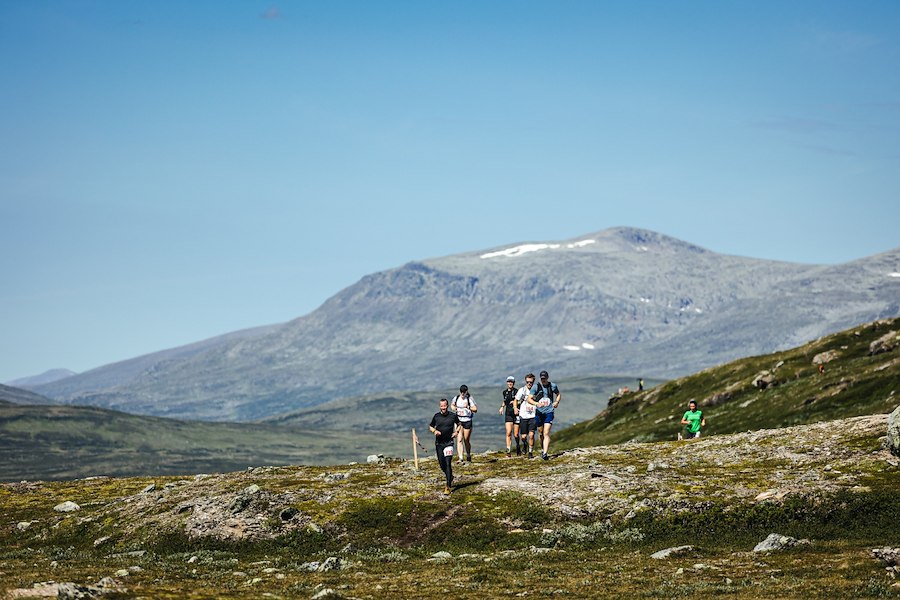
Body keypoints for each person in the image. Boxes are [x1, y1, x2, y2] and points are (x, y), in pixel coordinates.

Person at [429, 398, 460, 494]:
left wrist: (456, 432)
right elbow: (430, 426)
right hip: (439, 443)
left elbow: (459, 424)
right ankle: (450, 476)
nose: (443, 407)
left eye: (445, 406)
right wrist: (434, 431)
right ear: (440, 406)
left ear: (447, 406)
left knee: (447, 463)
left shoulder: (453, 416)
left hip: (449, 443)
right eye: (441, 406)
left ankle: (448, 486)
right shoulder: (436, 416)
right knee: (441, 464)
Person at [533, 370, 561, 460]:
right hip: (539, 412)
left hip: (549, 412)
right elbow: (529, 399)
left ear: (547, 378)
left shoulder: (552, 386)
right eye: (542, 379)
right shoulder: (536, 387)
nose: (543, 380)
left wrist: (556, 401)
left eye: (544, 378)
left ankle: (545, 453)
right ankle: (542, 448)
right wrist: (536, 403)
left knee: (546, 432)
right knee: (540, 433)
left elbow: (558, 394)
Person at [451, 384, 477, 464]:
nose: (462, 394)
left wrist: (468, 407)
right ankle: (461, 458)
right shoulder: (456, 398)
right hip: (458, 420)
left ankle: (468, 455)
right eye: (461, 392)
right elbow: (452, 405)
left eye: (464, 392)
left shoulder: (469, 399)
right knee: (459, 440)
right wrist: (454, 408)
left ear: (466, 392)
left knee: (466, 440)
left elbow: (475, 409)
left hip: (467, 420)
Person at [515, 374, 538, 458]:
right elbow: (516, 400)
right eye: (527, 382)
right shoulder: (522, 390)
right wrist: (515, 408)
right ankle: (525, 444)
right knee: (524, 437)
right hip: (523, 416)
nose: (529, 383)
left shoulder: (536, 390)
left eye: (531, 382)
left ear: (533, 382)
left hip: (533, 415)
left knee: (531, 435)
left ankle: (530, 452)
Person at [499, 376, 519, 456]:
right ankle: (508, 450)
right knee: (508, 432)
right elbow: (504, 401)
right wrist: (502, 407)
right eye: (508, 382)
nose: (510, 383)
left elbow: (520, 400)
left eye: (511, 382)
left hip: (516, 414)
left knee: (516, 434)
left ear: (513, 383)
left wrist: (515, 403)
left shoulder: (517, 391)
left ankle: (518, 445)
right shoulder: (505, 392)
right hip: (508, 414)